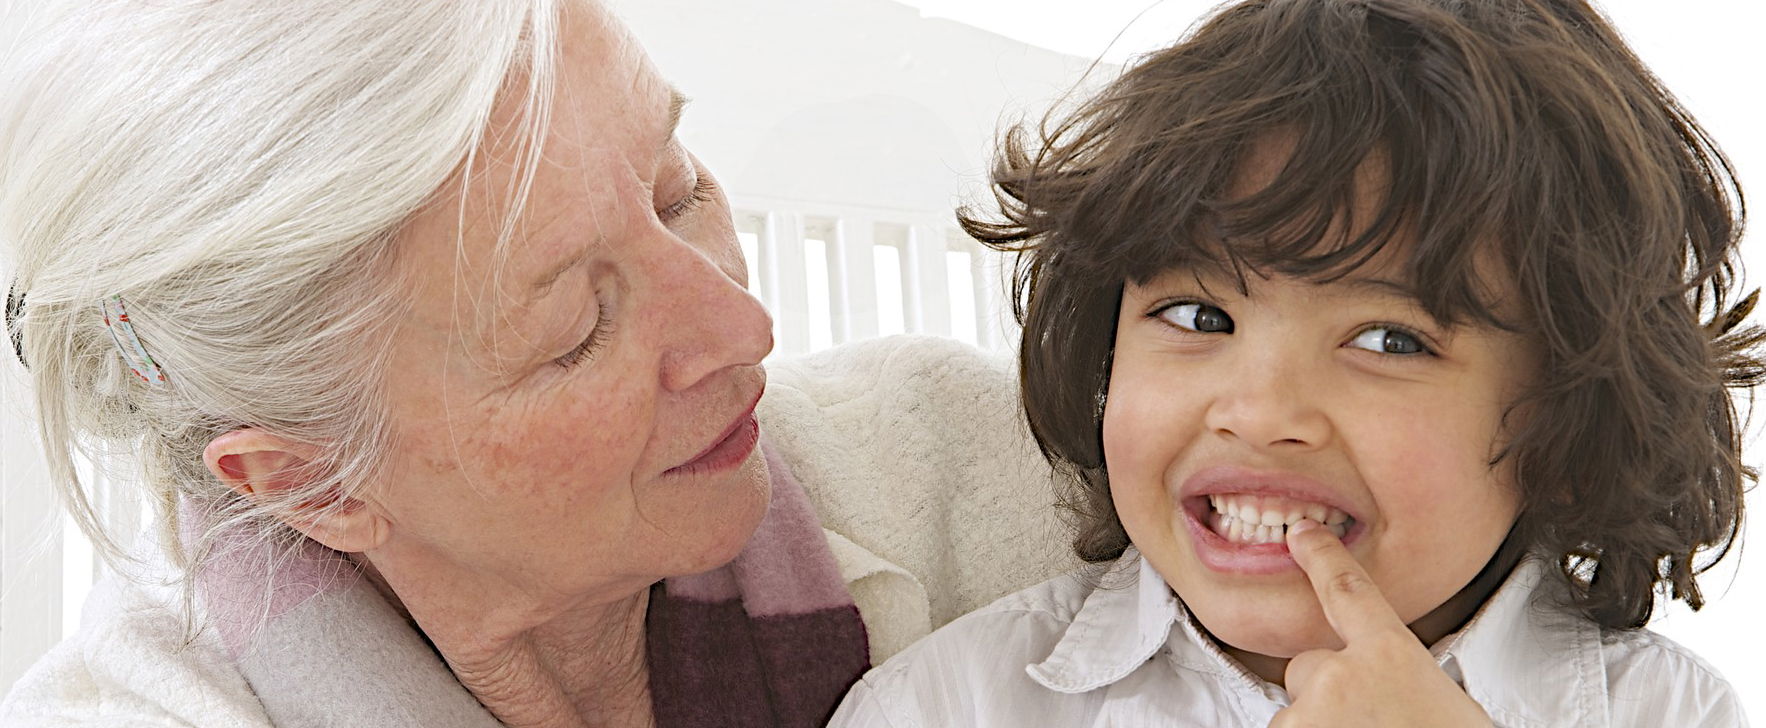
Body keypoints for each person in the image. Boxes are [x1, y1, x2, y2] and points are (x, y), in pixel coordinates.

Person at [0, 1, 1072, 726]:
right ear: (307, 481)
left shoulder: (986, 463)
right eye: (570, 329)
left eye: (676, 191)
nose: (744, 328)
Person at [831, 0, 1758, 725]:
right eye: (1198, 315)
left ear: (1567, 415)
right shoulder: (951, 706)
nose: (1261, 409)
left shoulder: (1667, 713)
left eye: (1390, 340)